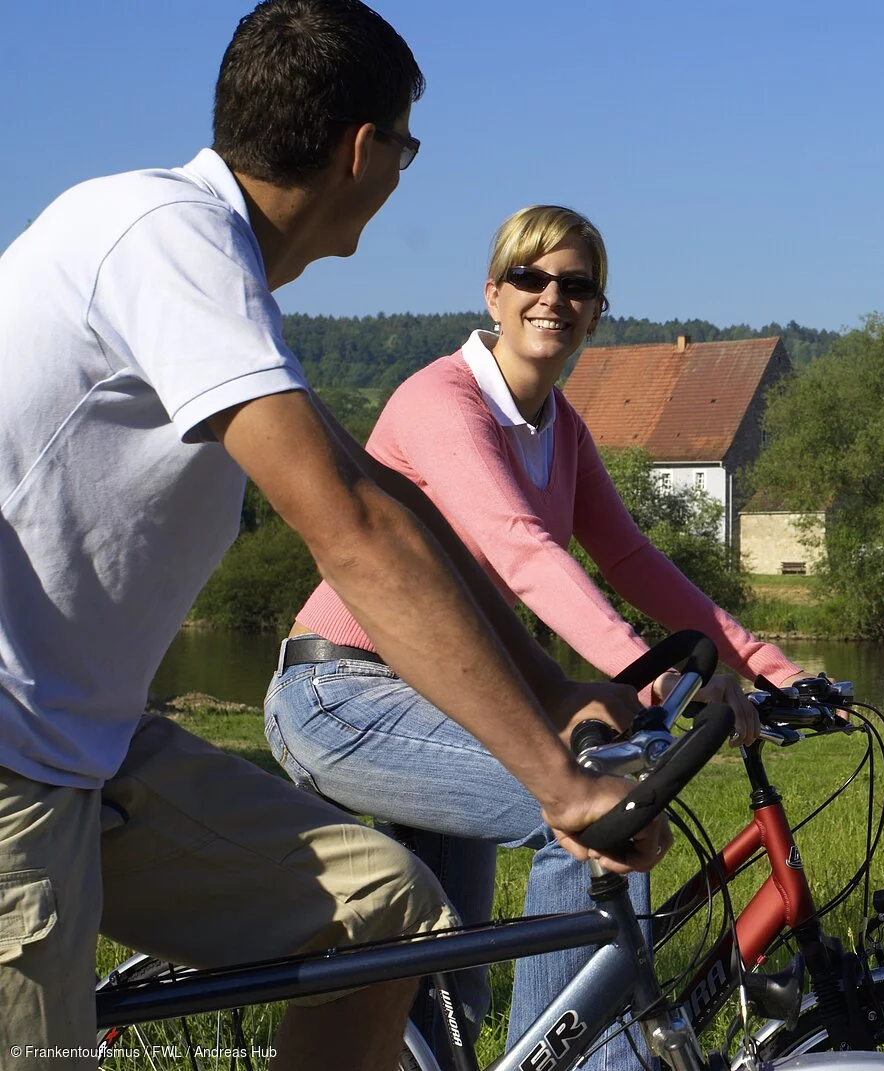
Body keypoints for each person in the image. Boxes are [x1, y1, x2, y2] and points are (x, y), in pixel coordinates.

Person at [0, 5, 666, 1069]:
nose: (405, 170)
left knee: (385, 917)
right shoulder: (163, 237)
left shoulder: (215, 276)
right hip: (11, 764)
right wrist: (553, 776)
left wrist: (547, 690)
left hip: (91, 749)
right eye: (407, 145)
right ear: (366, 150)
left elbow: (384, 497)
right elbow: (348, 529)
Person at [262, 204, 812, 1063]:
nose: (552, 296)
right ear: (493, 291)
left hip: (455, 698)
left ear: (597, 311)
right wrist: (657, 670)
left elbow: (631, 558)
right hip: (343, 691)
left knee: (448, 992)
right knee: (588, 805)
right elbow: (521, 549)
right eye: (531, 276)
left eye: (578, 285)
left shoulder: (564, 427)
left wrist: (768, 667)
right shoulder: (440, 401)